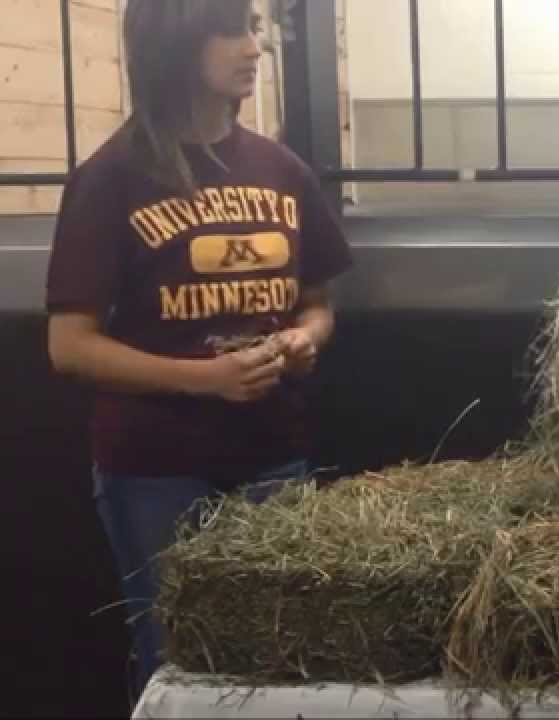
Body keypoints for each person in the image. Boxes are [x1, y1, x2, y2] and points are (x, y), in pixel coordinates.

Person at [44, 0, 352, 700]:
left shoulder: (281, 169)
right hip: (156, 467)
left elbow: (318, 302)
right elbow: (69, 346)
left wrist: (304, 338)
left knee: (285, 653)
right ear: (176, 42)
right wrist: (203, 379)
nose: (254, 47)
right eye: (231, 29)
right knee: (173, 659)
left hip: (275, 453)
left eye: (253, 27)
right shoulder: (110, 177)